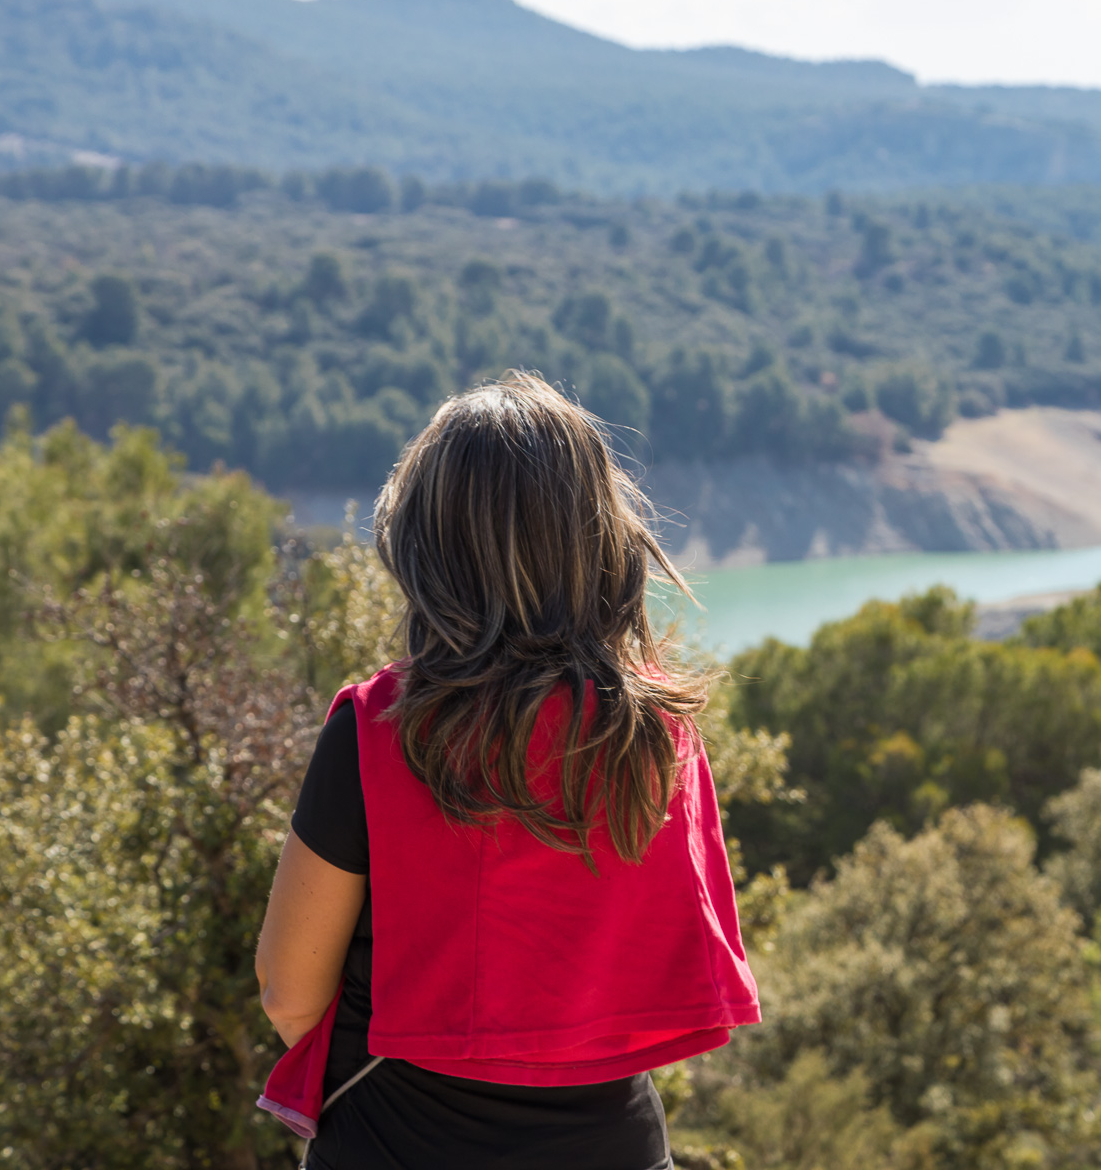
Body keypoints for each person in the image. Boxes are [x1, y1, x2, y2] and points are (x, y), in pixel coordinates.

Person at [254, 373, 759, 1168]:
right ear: (599, 537)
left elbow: (289, 991)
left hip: (395, 1142)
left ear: (426, 545)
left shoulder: (378, 727)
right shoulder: (659, 734)